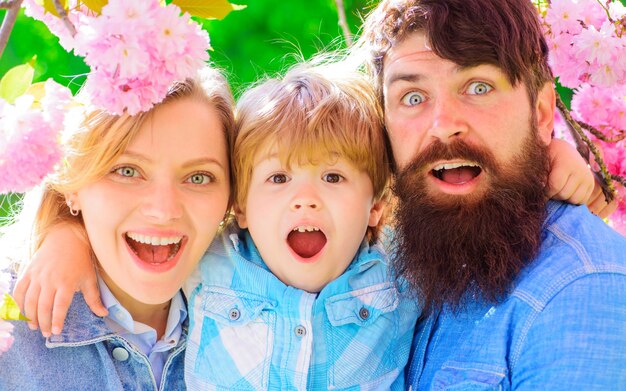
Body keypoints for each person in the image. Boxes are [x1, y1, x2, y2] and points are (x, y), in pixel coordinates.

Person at [13, 63, 598, 389]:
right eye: (277, 182)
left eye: (199, 178)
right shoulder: (217, 260)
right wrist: (65, 231)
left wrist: (545, 152)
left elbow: (425, 172)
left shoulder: (397, 267)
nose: (305, 202)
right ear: (244, 204)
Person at [355, 0, 626, 388]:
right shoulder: (384, 268)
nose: (443, 127)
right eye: (412, 97)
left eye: (478, 87)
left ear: (542, 115)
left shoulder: (585, 289)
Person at [0, 66, 235, 390]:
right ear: (73, 185)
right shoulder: (9, 329)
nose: (164, 211)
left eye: (198, 177)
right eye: (127, 171)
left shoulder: (263, 314)